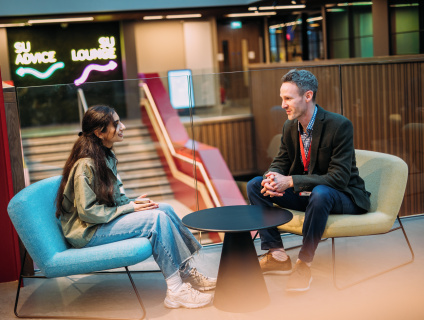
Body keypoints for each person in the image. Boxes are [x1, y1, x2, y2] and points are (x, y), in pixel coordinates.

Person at [55, 105, 216, 308]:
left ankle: (186, 273)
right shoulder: (85, 165)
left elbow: (111, 197)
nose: (123, 127)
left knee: (163, 208)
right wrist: (128, 208)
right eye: (116, 124)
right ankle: (176, 290)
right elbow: (88, 213)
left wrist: (131, 202)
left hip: (98, 222)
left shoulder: (105, 155)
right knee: (155, 220)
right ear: (99, 132)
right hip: (87, 231)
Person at [247, 69, 371, 292]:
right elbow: (281, 160)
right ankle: (277, 254)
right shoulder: (289, 126)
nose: (283, 105)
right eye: (281, 98)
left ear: (308, 96)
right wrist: (272, 177)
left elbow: (339, 178)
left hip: (343, 195)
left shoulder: (339, 125)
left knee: (321, 192)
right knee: (255, 185)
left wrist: (291, 181)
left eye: (287, 99)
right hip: (309, 195)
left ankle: (304, 264)